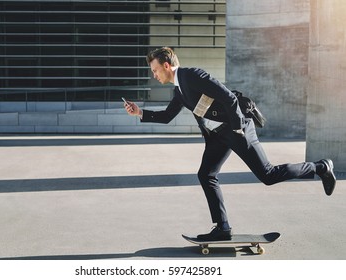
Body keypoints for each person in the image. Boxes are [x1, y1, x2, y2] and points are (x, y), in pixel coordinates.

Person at [123, 47, 336, 241]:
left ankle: (320, 167)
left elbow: (229, 98)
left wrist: (237, 129)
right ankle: (222, 227)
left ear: (166, 66)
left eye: (155, 70)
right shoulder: (179, 90)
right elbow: (168, 116)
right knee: (206, 174)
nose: (154, 75)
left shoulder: (192, 75)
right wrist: (139, 112)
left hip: (237, 130)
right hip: (218, 136)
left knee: (268, 175)